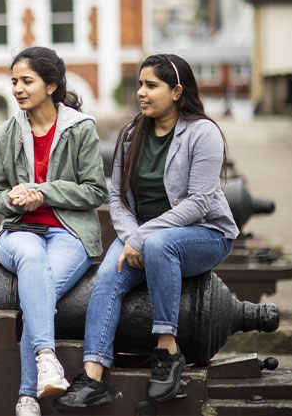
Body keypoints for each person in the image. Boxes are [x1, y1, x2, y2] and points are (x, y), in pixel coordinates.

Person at [54, 54, 239, 410]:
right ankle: (92, 376)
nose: (141, 92)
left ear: (177, 91)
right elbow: (117, 198)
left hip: (204, 234)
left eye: (151, 85)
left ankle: (167, 351)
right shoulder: (130, 134)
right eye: (140, 84)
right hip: (142, 238)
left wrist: (142, 237)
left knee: (159, 245)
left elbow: (199, 203)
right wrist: (131, 235)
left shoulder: (203, 133)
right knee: (107, 278)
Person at [0, 46, 108, 416]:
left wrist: (43, 191)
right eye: (14, 82)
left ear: (51, 85)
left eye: (27, 81)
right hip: (20, 231)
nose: (18, 89)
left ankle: (27, 397)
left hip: (69, 232)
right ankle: (45, 360)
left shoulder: (80, 129)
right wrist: (14, 198)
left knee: (38, 289)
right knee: (33, 260)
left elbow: (95, 191)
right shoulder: (5, 134)